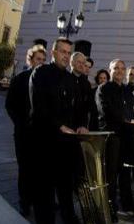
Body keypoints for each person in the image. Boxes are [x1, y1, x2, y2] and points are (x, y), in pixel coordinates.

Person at [29, 38, 87, 224]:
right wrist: (58, 125)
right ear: (53, 53)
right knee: (44, 190)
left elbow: (78, 108)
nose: (66, 55)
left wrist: (81, 125)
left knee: (66, 186)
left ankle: (69, 217)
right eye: (63, 52)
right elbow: (38, 106)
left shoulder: (71, 79)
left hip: (67, 144)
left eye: (69, 53)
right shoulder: (41, 73)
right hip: (45, 141)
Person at [96, 59, 134, 221]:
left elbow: (131, 111)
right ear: (110, 70)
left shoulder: (128, 91)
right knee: (111, 175)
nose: (120, 71)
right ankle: (110, 209)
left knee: (125, 173)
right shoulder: (103, 88)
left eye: (122, 68)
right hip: (111, 137)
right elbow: (107, 111)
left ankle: (126, 205)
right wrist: (128, 121)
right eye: (116, 68)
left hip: (126, 137)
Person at [5, 44, 46, 216]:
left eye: (44, 60)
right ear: (30, 60)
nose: (41, 63)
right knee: (24, 169)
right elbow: (9, 105)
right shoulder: (19, 79)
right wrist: (20, 124)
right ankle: (24, 202)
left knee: (38, 170)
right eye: (38, 59)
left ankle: (36, 200)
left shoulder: (46, 80)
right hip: (23, 134)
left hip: (41, 135)